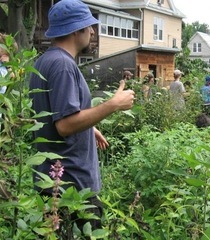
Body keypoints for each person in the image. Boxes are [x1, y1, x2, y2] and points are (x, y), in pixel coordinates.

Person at [29, 0, 135, 232]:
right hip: (72, 188)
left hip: (52, 184)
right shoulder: (63, 66)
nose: (92, 31)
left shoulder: (45, 61)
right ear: (76, 29)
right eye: (89, 26)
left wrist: (89, 126)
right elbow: (65, 125)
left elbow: (51, 115)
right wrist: (113, 105)